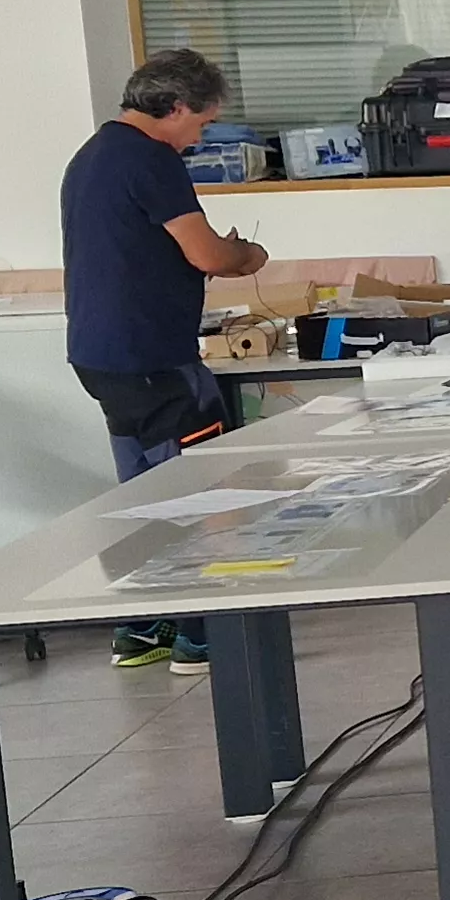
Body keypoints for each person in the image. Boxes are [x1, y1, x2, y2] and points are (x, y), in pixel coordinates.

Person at [60, 48, 267, 674]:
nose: (199, 137)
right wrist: (247, 255)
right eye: (201, 124)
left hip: (101, 354)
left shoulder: (91, 154)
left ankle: (141, 625)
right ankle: (203, 632)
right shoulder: (152, 160)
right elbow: (205, 254)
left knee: (143, 490)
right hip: (155, 355)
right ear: (174, 107)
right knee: (203, 487)